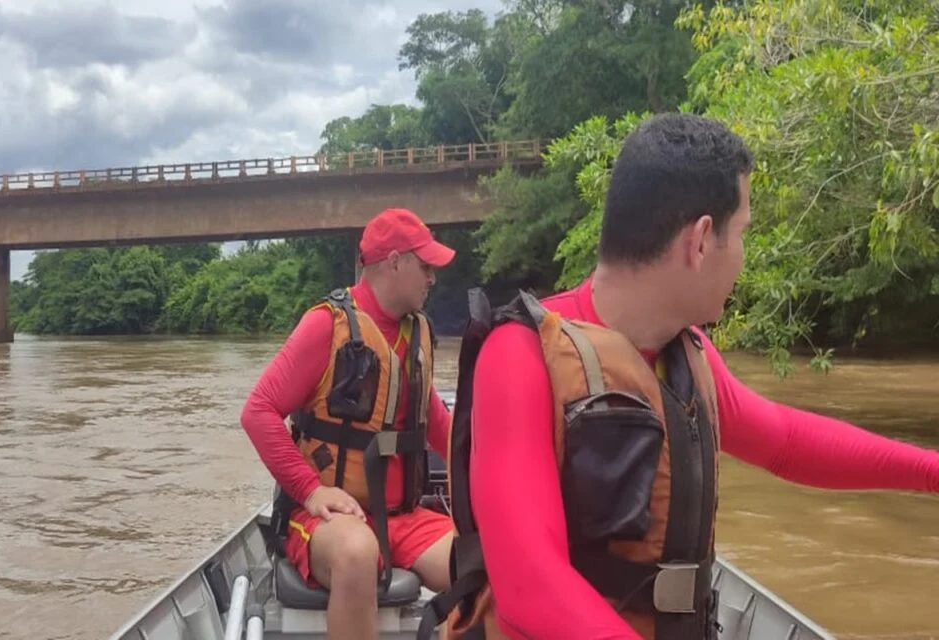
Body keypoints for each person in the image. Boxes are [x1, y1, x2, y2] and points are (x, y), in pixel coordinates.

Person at [421, 113, 939, 640]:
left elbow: (785, 442)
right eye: (742, 235)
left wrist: (931, 471)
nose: (742, 259)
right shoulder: (519, 356)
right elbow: (530, 587)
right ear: (701, 241)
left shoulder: (685, 352)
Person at [240, 207, 457, 640]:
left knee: (491, 559)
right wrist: (311, 489)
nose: (432, 278)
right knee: (359, 552)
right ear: (395, 261)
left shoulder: (416, 334)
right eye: (425, 265)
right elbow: (258, 411)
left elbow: (436, 424)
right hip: (326, 521)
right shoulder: (326, 325)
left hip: (402, 517)